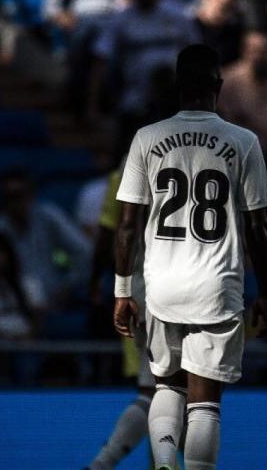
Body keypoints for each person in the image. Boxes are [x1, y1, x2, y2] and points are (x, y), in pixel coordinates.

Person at [113, 44, 267, 470]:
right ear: (219, 87)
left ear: (176, 87)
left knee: (166, 387)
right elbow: (259, 227)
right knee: (205, 403)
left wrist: (122, 291)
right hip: (217, 285)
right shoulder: (244, 142)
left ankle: (164, 461)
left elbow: (127, 223)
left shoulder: (147, 138)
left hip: (162, 283)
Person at [85, 165, 154, 470]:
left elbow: (112, 231)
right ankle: (102, 464)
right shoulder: (201, 158)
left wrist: (100, 280)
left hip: (140, 284)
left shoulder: (125, 169)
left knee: (156, 392)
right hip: (183, 285)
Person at [0, 170, 92, 309]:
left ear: (31, 195)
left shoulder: (49, 216)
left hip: (54, 297)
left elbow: (84, 251)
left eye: (19, 195)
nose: (15, 203)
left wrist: (68, 285)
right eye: (9, 197)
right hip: (16, 302)